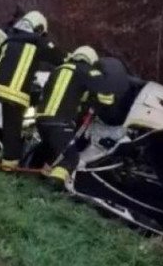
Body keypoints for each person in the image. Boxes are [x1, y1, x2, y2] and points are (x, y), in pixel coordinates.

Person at [0, 11, 66, 171]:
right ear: (38, 29)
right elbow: (61, 59)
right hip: (18, 95)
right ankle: (9, 168)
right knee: (12, 131)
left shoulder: (8, 39)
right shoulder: (40, 44)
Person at [35, 46, 111, 183]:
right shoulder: (88, 71)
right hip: (60, 123)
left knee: (53, 151)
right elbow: (106, 97)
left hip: (41, 120)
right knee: (71, 158)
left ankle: (38, 175)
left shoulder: (59, 69)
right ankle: (55, 184)